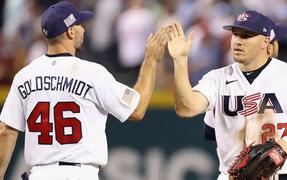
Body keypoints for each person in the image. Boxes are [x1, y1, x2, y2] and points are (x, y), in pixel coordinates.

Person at [0, 1, 169, 180]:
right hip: (80, 174)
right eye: (79, 24)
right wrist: (151, 60)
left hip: (40, 174)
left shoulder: (24, 76)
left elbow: (6, 131)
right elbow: (137, 108)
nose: (83, 29)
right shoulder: (91, 73)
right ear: (70, 31)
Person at [167, 10, 287, 180]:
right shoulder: (217, 78)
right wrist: (180, 61)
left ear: (265, 42)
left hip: (280, 175)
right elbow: (186, 109)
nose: (238, 41)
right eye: (235, 35)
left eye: (246, 36)